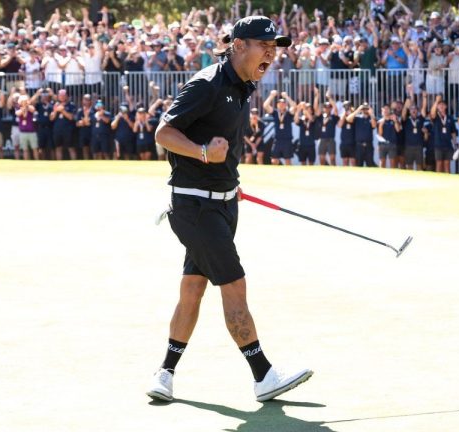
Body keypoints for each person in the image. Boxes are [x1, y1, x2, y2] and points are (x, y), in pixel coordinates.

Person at [148, 15, 312, 404]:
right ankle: (263, 375)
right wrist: (204, 153)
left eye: (275, 47)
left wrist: (227, 183)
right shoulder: (206, 84)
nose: (271, 52)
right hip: (194, 207)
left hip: (222, 204)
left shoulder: (244, 85)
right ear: (238, 46)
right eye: (263, 45)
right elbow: (164, 134)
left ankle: (165, 374)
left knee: (192, 289)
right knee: (234, 285)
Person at [262, 90, 296, 165]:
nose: (281, 105)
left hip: (287, 140)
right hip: (277, 139)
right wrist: (271, 95)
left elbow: (294, 106)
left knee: (288, 160)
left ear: (286, 105)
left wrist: (287, 97)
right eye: (280, 103)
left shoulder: (289, 113)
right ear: (277, 105)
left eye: (283, 103)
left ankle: (289, 175)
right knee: (274, 160)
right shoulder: (275, 113)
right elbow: (265, 105)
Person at [429, 96, 457, 174]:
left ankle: (448, 183)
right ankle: (438, 182)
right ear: (437, 106)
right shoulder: (436, 117)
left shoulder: (450, 118)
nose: (441, 106)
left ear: (446, 106)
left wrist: (455, 144)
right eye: (439, 105)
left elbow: (453, 132)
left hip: (448, 145)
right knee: (439, 164)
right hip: (438, 145)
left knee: (447, 165)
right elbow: (432, 113)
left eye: (443, 105)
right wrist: (436, 101)